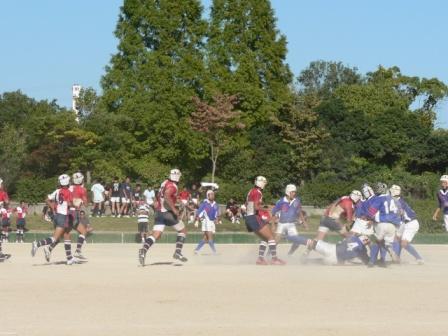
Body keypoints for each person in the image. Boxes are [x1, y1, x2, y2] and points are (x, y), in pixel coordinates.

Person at [138, 169, 188, 266]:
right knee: (183, 231)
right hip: (167, 213)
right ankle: (177, 252)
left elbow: (159, 194)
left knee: (156, 234)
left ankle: (143, 250)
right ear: (177, 176)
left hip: (159, 213)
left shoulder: (164, 182)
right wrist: (174, 209)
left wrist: (158, 202)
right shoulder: (173, 186)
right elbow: (166, 195)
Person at [31, 174, 77, 265]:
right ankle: (38, 244)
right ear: (67, 182)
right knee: (54, 238)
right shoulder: (68, 192)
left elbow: (47, 199)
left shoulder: (57, 191)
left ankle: (69, 258)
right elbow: (69, 204)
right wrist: (77, 205)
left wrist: (52, 207)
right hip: (63, 217)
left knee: (66, 234)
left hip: (56, 216)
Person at [245, 176, 285, 265]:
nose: (265, 185)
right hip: (253, 217)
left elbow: (249, 205)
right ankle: (274, 259)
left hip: (248, 218)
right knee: (271, 237)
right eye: (264, 183)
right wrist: (268, 208)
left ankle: (260, 259)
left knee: (265, 238)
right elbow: (256, 207)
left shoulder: (251, 191)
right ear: (261, 183)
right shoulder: (257, 192)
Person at [366, 182, 401, 267]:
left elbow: (371, 211)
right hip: (392, 225)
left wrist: (369, 218)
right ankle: (383, 259)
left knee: (376, 241)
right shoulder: (393, 199)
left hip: (382, 223)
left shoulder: (379, 199)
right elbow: (400, 212)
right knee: (386, 243)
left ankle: (371, 261)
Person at [271, 184, 311, 256]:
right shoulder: (281, 201)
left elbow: (299, 212)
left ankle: (289, 254)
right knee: (276, 241)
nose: (294, 193)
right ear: (288, 192)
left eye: (295, 192)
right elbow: (273, 213)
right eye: (292, 192)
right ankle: (269, 254)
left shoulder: (297, 201)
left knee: (297, 242)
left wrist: (304, 223)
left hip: (291, 225)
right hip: (281, 224)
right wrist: (273, 225)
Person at [389, 185, 424, 264]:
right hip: (405, 223)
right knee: (397, 238)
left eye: (390, 191)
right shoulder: (397, 200)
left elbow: (400, 213)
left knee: (404, 243)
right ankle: (397, 258)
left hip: (411, 223)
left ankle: (419, 258)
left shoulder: (398, 202)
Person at [194, 190, 220, 254]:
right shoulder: (204, 204)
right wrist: (197, 221)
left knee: (205, 238)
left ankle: (196, 250)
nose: (213, 195)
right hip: (206, 221)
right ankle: (214, 252)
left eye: (213, 194)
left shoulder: (215, 204)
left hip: (212, 222)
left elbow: (217, 213)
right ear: (208, 196)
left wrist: (217, 219)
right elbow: (199, 212)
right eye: (211, 194)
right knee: (210, 237)